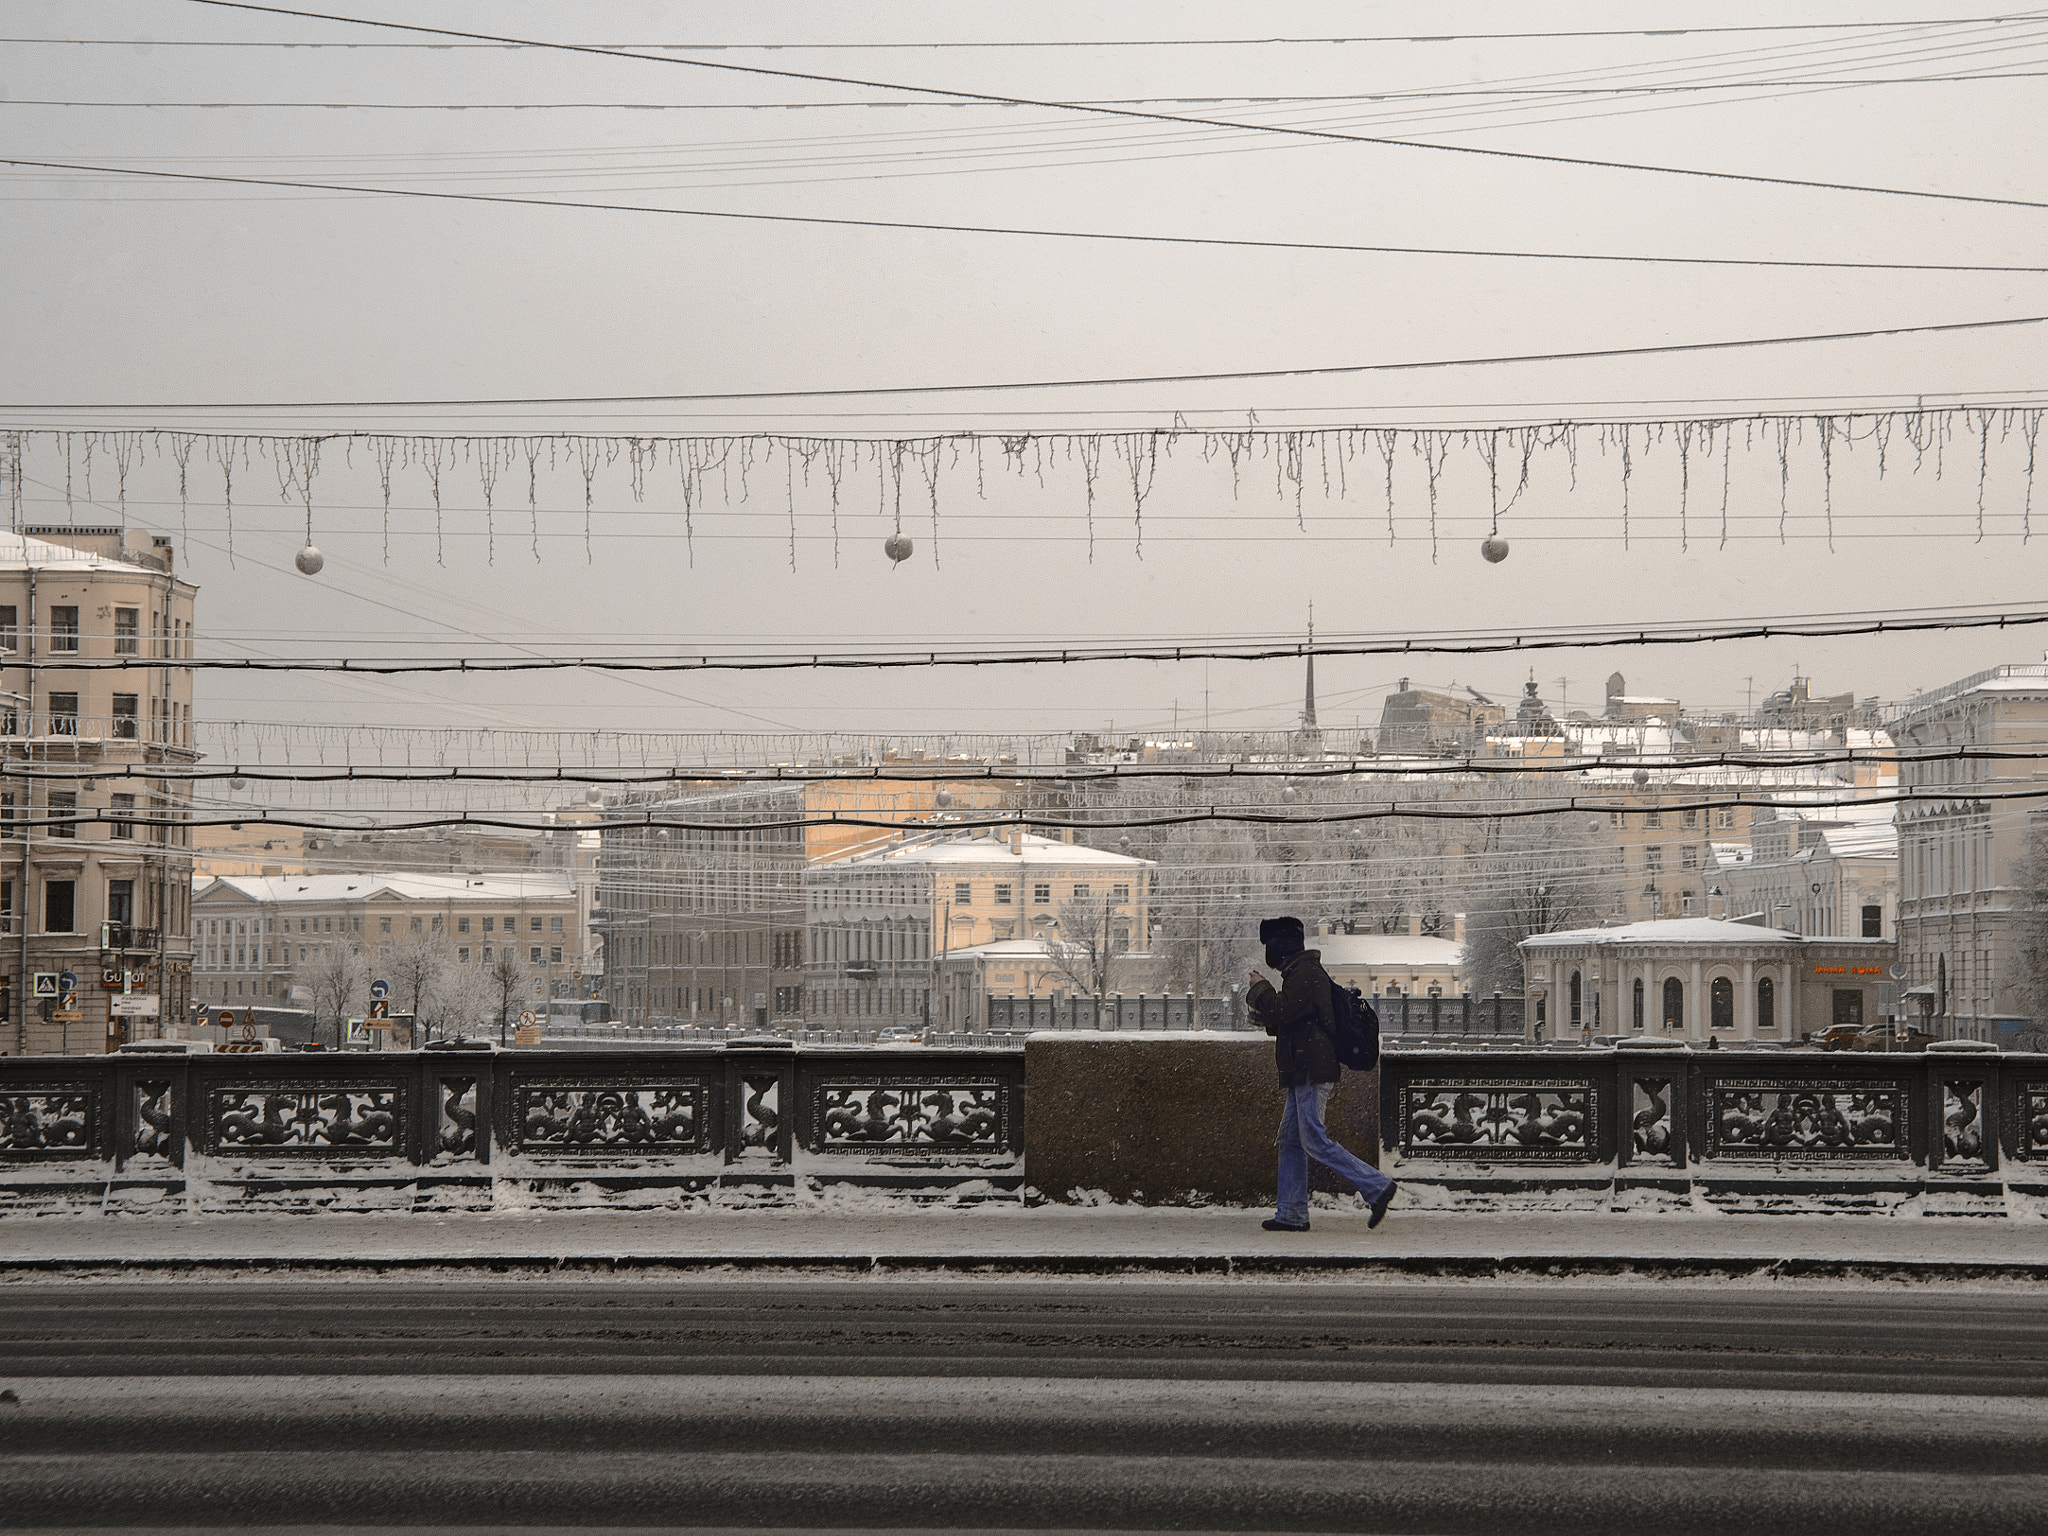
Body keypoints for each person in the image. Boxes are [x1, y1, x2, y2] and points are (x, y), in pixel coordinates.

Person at [1246, 916, 1396, 1233]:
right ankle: (1291, 1213)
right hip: (1303, 1068)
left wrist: (1260, 988)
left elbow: (1285, 1010)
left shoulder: (1305, 973)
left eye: (1270, 947)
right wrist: (1265, 1013)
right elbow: (1295, 1019)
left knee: (1313, 1139)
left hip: (1311, 1069)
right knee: (1290, 1140)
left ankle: (1377, 1185)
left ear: (1280, 947)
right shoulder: (1301, 972)